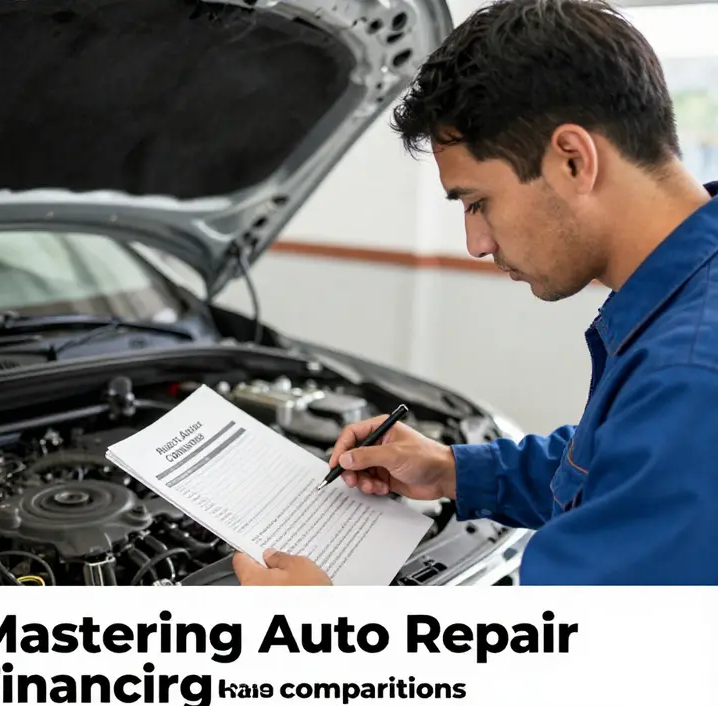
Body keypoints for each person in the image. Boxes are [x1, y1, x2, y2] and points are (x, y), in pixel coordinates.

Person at [232, 0, 718, 586]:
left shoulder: (690, 377)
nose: (475, 243)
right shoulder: (690, 316)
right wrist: (452, 471)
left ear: (572, 160)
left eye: (477, 202)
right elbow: (619, 469)